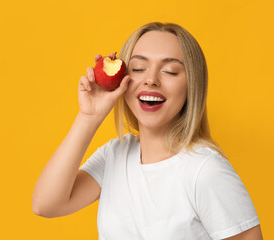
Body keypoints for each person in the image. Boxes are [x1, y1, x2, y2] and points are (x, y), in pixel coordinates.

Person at [32, 22, 263, 239]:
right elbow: (46, 204)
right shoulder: (115, 156)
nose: (151, 79)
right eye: (139, 68)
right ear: (123, 78)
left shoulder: (205, 171)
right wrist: (88, 117)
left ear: (192, 85)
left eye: (170, 71)